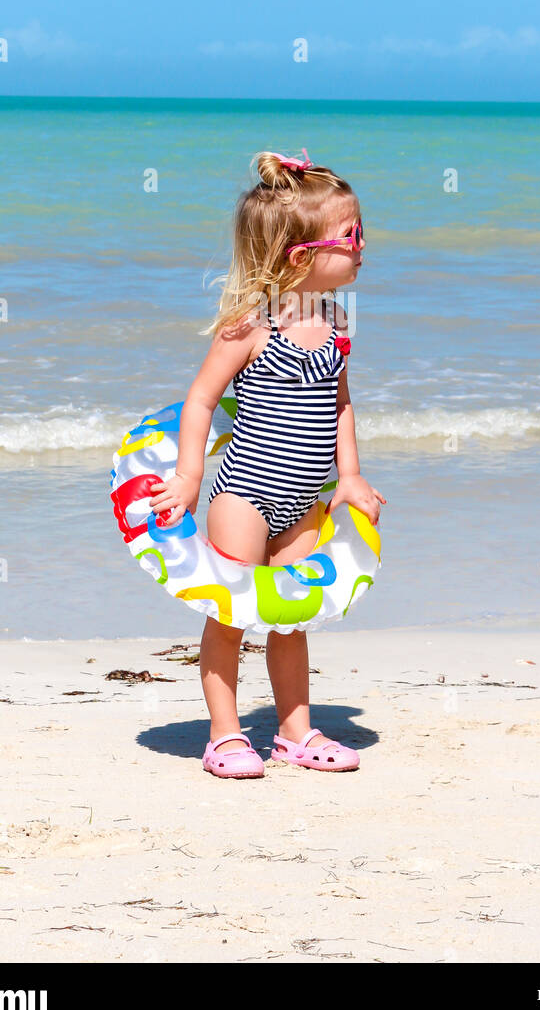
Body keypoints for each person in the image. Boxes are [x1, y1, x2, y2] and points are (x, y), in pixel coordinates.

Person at [148, 147, 386, 778]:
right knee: (230, 616)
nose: (364, 244)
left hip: (303, 501)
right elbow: (200, 400)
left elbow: (338, 404)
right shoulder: (252, 326)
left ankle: (294, 733)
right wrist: (190, 479)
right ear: (301, 254)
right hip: (244, 496)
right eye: (351, 234)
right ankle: (225, 736)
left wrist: (351, 476)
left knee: (290, 616)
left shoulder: (335, 323)